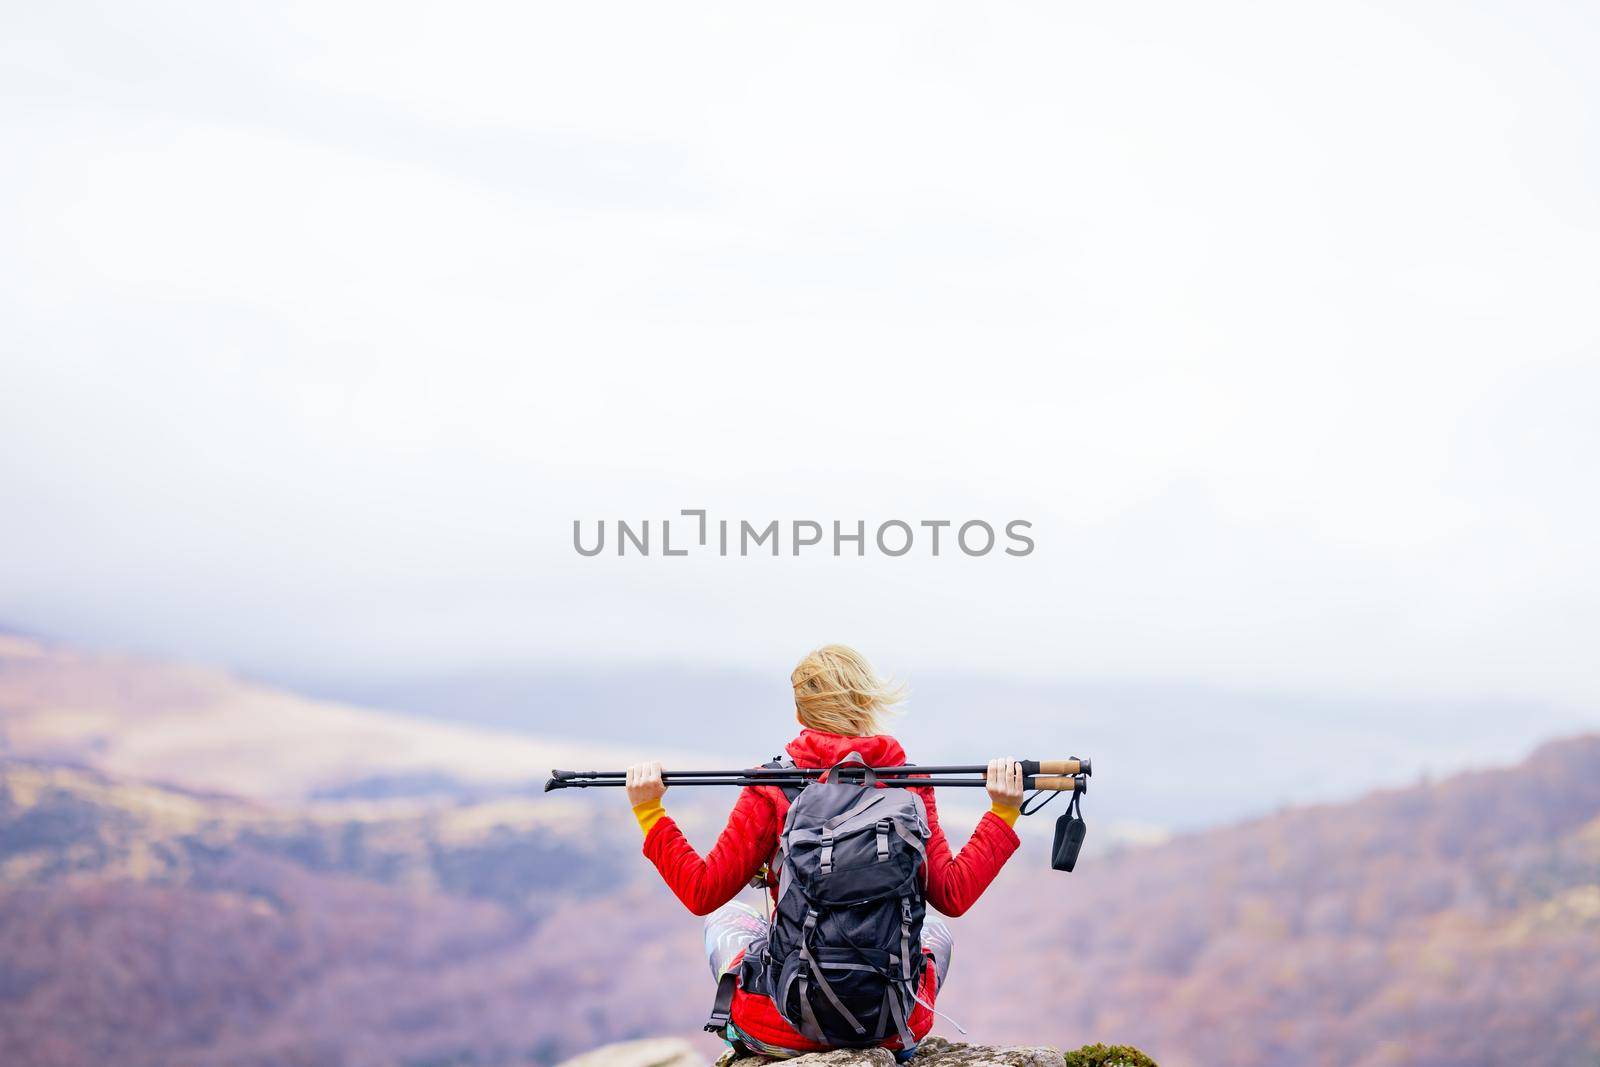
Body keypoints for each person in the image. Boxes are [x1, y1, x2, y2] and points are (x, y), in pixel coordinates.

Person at [624, 644, 1025, 1057]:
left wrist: (649, 810)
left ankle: (749, 1032)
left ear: (800, 715)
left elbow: (701, 890)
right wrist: (1003, 812)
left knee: (726, 916)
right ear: (868, 702)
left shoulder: (772, 787)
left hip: (780, 1028)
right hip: (889, 1027)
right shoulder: (908, 784)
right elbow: (953, 895)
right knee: (937, 932)